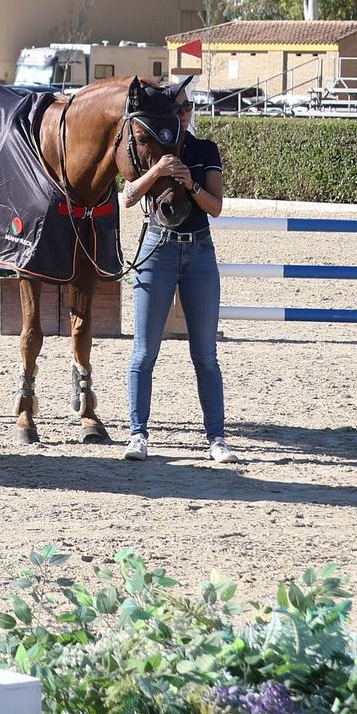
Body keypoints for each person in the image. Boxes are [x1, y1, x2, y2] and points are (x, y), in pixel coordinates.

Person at [119, 90, 230, 463]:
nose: (182, 114)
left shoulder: (204, 149)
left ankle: (217, 437)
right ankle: (137, 434)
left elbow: (215, 207)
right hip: (159, 247)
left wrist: (191, 184)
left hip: (199, 249)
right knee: (144, 350)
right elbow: (127, 197)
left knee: (206, 355)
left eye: (187, 108)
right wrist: (158, 171)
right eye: (176, 109)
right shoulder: (149, 145)